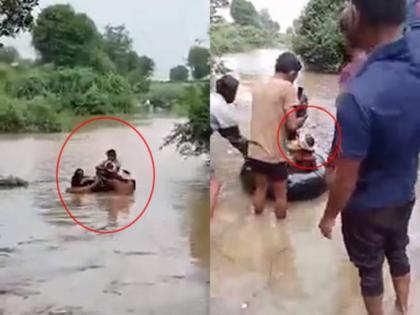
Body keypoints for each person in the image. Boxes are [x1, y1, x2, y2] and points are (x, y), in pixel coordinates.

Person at [318, 0, 420, 314]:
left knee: (370, 271)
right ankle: (404, 308)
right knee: (398, 252)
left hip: (365, 207)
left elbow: (346, 177)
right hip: (403, 194)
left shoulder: (356, 94)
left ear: (359, 19)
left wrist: (329, 215)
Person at [248, 52, 307, 219]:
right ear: (292, 73)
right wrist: (302, 119)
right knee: (281, 195)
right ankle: (281, 232)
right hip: (275, 154)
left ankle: (257, 222)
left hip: (255, 149)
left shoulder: (259, 87)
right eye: (295, 76)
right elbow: (291, 125)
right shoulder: (288, 88)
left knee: (260, 188)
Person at [326, 5, 368, 187]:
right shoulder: (396, 66)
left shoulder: (349, 73)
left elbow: (344, 124)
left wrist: (330, 162)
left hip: (358, 165)